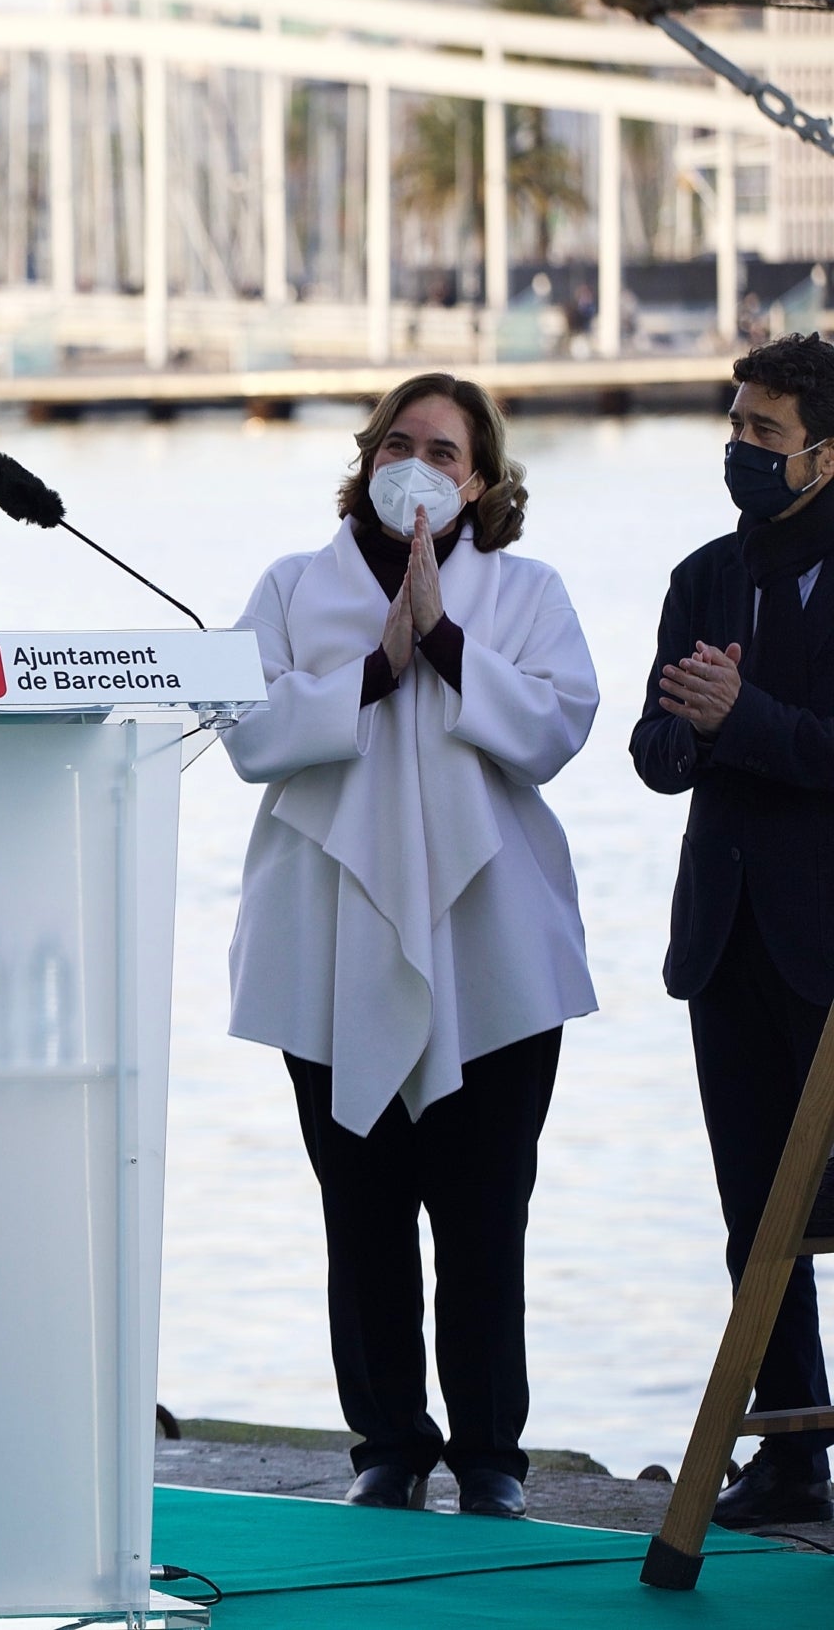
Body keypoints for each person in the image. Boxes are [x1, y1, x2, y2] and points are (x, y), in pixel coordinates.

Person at [225, 371, 597, 1522]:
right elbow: (246, 730)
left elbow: (555, 727)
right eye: (401, 442)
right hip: (330, 948)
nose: (420, 465)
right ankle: (386, 1441)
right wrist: (377, 665)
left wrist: (441, 644)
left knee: (486, 1212)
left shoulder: (526, 591)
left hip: (491, 955)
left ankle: (490, 1453)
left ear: (478, 479)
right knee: (363, 1208)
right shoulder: (293, 586)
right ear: (366, 457)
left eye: (444, 451)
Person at [632, 332, 834, 1527]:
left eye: (764, 433)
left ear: (821, 452)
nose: (740, 449)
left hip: (827, 941)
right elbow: (655, 756)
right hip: (724, 937)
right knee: (752, 1212)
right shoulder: (703, 575)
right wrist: (699, 727)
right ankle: (793, 1450)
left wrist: (744, 716)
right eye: (735, 426)